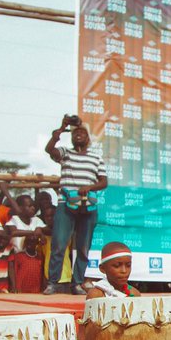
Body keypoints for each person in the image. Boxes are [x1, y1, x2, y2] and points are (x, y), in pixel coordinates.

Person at [44, 115, 108, 294]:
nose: (78, 135)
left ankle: (77, 283)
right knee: (59, 244)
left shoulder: (96, 158)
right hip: (66, 204)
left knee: (83, 246)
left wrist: (89, 187)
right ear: (71, 137)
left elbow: (103, 182)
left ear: (88, 138)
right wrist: (62, 127)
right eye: (75, 133)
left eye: (82, 133)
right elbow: (49, 149)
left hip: (87, 207)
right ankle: (52, 283)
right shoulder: (66, 153)